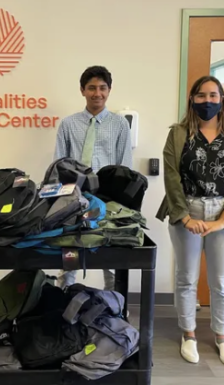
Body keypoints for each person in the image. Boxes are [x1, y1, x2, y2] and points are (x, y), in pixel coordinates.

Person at [156, 75, 224, 368]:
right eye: (201, 95)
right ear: (192, 100)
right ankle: (189, 334)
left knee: (222, 282)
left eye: (213, 95)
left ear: (222, 100)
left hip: (223, 213)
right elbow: (171, 176)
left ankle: (222, 337)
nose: (207, 101)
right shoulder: (178, 133)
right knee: (186, 278)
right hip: (187, 209)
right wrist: (183, 216)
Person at [53, 65, 132, 291]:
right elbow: (59, 163)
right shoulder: (69, 124)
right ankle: (62, 297)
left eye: (102, 88)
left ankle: (114, 304)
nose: (97, 93)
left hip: (108, 197)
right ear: (82, 90)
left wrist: (121, 202)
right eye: (91, 88)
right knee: (71, 251)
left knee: (110, 254)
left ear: (109, 90)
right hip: (76, 197)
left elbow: (125, 166)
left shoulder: (120, 125)